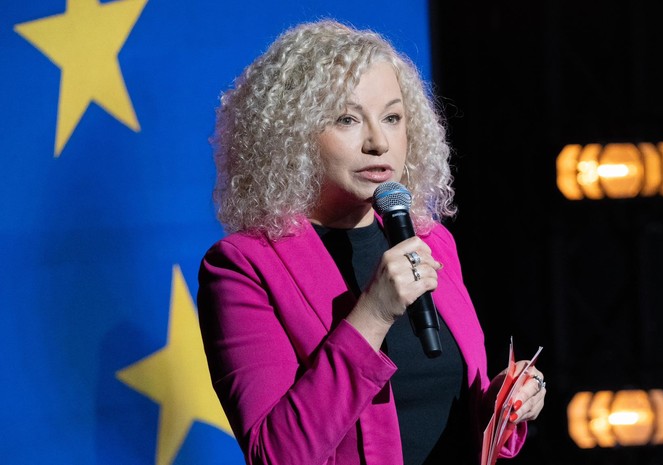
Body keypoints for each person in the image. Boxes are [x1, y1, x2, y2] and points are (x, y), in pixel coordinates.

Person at [196, 19, 546, 465]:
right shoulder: (244, 267)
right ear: (293, 135)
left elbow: (437, 413)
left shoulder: (432, 241)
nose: (379, 142)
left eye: (392, 118)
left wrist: (501, 405)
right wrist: (374, 313)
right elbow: (277, 454)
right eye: (347, 119)